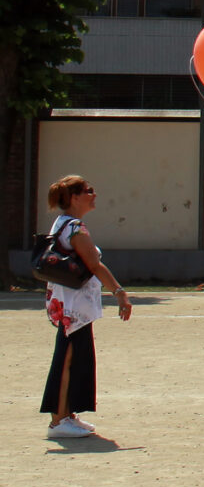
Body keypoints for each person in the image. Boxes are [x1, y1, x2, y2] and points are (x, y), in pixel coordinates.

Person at [40, 175, 131, 441]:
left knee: (76, 357)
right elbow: (94, 264)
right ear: (74, 197)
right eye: (88, 191)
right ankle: (58, 420)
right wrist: (119, 292)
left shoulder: (63, 223)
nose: (94, 194)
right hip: (73, 308)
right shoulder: (75, 227)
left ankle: (67, 414)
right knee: (68, 359)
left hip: (70, 305)